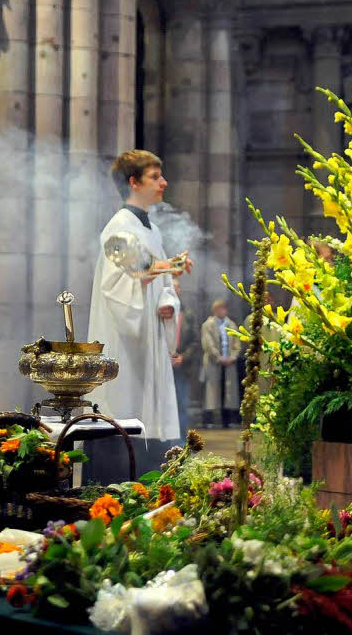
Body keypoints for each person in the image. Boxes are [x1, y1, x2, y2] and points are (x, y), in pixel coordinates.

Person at [84, 149, 193, 483]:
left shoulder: (153, 231)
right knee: (124, 411)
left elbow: (159, 282)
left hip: (150, 342)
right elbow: (119, 284)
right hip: (124, 344)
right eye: (155, 177)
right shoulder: (118, 228)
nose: (164, 183)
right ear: (133, 182)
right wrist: (162, 270)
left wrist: (168, 302)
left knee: (150, 421)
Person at [200, 299, 242, 429]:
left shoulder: (231, 324)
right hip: (214, 363)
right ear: (215, 310)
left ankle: (227, 420)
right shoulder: (208, 325)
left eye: (224, 308)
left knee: (228, 392)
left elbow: (237, 343)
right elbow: (208, 343)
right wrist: (218, 357)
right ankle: (209, 420)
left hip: (229, 363)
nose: (222, 311)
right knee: (212, 392)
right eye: (220, 309)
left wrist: (232, 357)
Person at [170, 278, 200, 434]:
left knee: (182, 403)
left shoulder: (188, 314)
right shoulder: (161, 312)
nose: (175, 290)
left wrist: (183, 357)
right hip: (163, 366)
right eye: (172, 287)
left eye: (177, 287)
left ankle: (181, 440)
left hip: (182, 366)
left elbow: (195, 341)